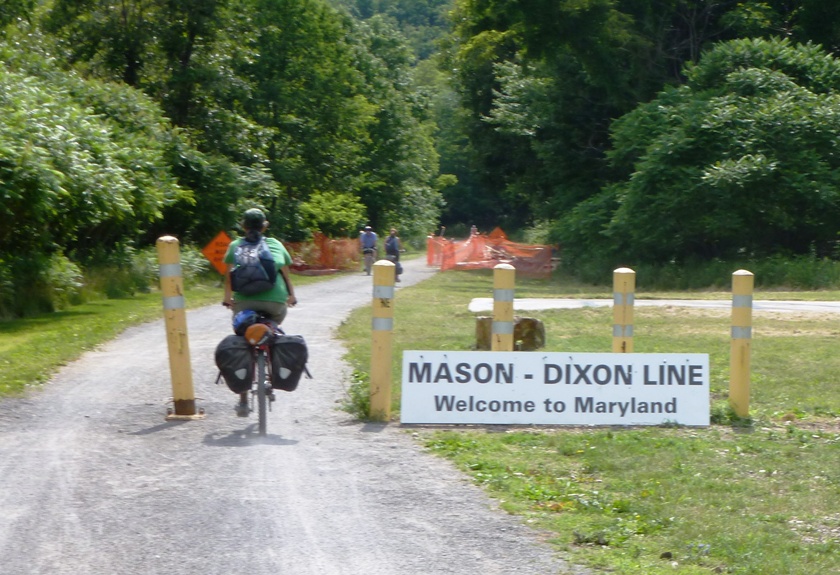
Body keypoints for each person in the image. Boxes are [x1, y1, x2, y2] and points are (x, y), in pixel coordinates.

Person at [222, 208, 297, 416]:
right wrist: (291, 296)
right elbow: (286, 275)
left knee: (245, 339)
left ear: (243, 226)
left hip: (244, 304)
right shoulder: (275, 245)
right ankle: (271, 365)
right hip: (275, 303)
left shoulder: (235, 245)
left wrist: (228, 299)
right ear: (265, 225)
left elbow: (229, 277)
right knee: (271, 328)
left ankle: (244, 399)